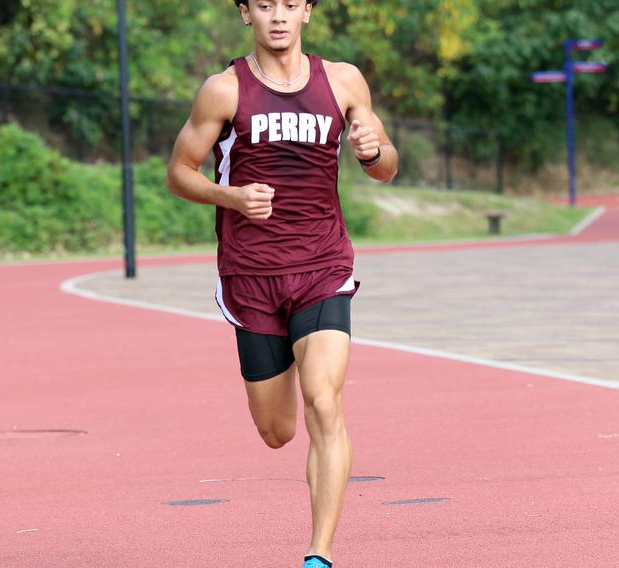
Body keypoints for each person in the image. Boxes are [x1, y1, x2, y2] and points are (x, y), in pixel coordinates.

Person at [166, 1, 397, 566]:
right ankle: (283, 361)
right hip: (251, 274)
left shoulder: (342, 81)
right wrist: (232, 197)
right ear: (245, 13)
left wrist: (373, 152)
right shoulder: (223, 90)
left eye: (291, 4)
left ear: (308, 13)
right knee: (276, 431)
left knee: (324, 399)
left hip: (323, 264)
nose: (279, 15)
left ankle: (318, 555)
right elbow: (178, 171)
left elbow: (386, 161)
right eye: (265, 4)